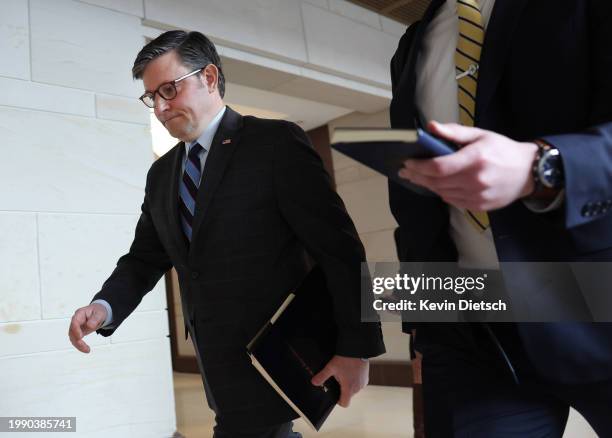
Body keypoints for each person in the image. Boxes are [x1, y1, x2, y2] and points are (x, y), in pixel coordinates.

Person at [68, 30, 385, 438]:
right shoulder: (161, 174)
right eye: (152, 97)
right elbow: (146, 257)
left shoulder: (274, 144)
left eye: (169, 89)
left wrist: (355, 347)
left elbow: (339, 249)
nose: (161, 107)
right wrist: (105, 306)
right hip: (214, 359)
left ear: (210, 77)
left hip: (273, 351)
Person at [389, 0, 612, 436]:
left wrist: (544, 167)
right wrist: (422, 322)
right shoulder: (412, 44)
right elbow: (412, 199)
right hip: (473, 329)